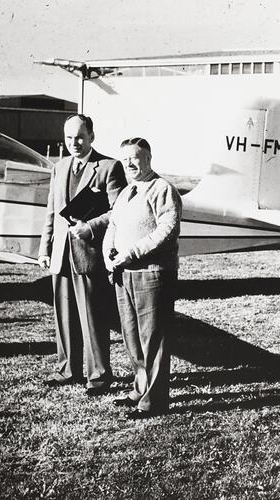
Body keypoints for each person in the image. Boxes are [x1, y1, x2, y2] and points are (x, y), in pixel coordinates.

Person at [38, 114, 127, 395]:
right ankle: (67, 370)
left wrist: (90, 227)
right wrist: (45, 248)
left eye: (79, 137)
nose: (74, 143)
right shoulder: (59, 167)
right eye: (68, 138)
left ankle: (98, 376)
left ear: (91, 137)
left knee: (93, 317)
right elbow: (52, 211)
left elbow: (118, 210)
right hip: (62, 254)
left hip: (89, 254)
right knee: (64, 316)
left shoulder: (109, 168)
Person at [103, 137, 182, 419]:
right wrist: (109, 258)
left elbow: (167, 230)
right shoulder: (126, 193)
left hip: (152, 274)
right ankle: (139, 387)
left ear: (148, 159)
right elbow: (112, 226)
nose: (129, 163)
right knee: (132, 336)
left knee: (154, 338)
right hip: (124, 273)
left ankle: (154, 400)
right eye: (124, 159)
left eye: (135, 158)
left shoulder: (163, 189)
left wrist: (131, 253)